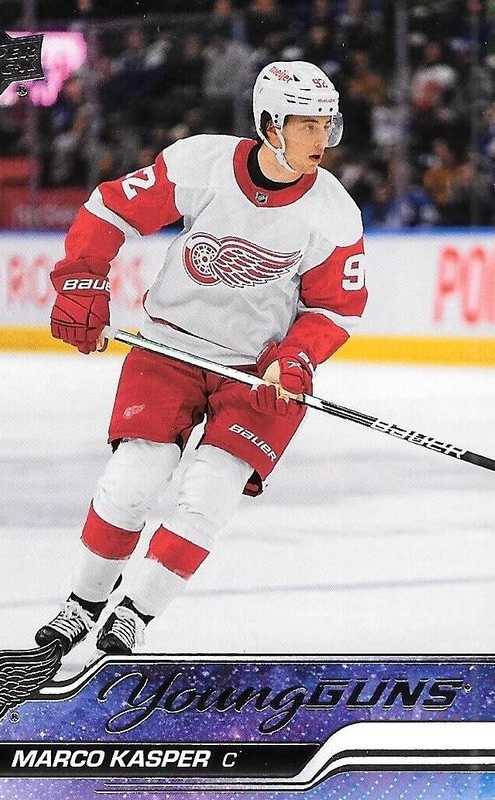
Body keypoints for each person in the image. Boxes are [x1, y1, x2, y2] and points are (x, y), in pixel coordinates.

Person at [36, 61, 368, 656]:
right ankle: (81, 605)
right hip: (171, 348)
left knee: (209, 495)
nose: (322, 139)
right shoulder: (202, 163)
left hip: (258, 374)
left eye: (327, 124)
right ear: (270, 125)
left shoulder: (334, 213)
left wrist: (297, 357)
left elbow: (336, 308)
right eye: (307, 125)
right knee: (133, 481)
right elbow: (109, 209)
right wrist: (81, 282)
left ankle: (135, 614)